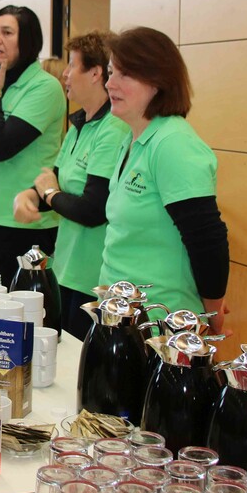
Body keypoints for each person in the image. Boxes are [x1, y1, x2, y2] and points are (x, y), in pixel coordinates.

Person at [99, 26, 230, 335]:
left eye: (124, 74)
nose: (109, 83)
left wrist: (213, 314)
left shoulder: (173, 143)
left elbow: (207, 239)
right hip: (122, 318)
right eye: (109, 72)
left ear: (158, 82)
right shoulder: (133, 138)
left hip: (162, 327)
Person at [14, 32, 130, 340]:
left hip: (92, 278)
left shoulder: (113, 129)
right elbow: (52, 179)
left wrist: (50, 194)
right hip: (66, 269)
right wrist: (31, 194)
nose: (64, 74)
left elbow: (93, 209)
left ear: (96, 73)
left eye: (72, 65)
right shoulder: (79, 124)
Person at [0, 5, 66, 287]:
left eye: (7, 32)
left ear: (28, 40)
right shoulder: (2, 88)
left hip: (23, 227)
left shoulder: (44, 88)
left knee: (16, 325)